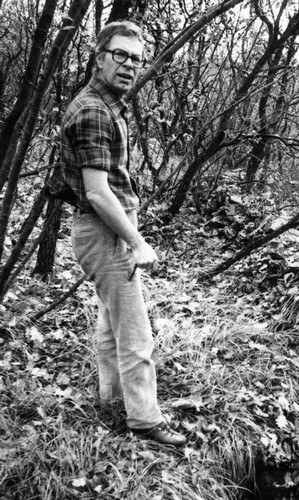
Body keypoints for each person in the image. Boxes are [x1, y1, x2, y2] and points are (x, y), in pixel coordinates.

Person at [61, 20, 185, 446]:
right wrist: (136, 241)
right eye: (120, 55)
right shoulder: (94, 111)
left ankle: (112, 398)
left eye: (136, 58)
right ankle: (145, 421)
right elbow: (97, 193)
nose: (129, 65)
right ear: (99, 58)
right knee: (135, 333)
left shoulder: (106, 103)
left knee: (111, 323)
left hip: (105, 228)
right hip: (105, 230)